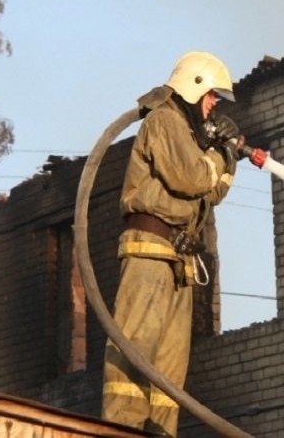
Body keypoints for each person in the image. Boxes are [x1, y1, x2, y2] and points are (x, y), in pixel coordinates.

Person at [102, 51, 242, 437]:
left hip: (178, 259)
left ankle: (160, 431)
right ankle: (122, 428)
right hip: (149, 251)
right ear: (193, 85)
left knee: (169, 362)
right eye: (212, 95)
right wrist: (217, 154)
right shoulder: (164, 120)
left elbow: (209, 194)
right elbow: (191, 177)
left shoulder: (191, 138)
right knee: (136, 348)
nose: (214, 105)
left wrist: (229, 159)